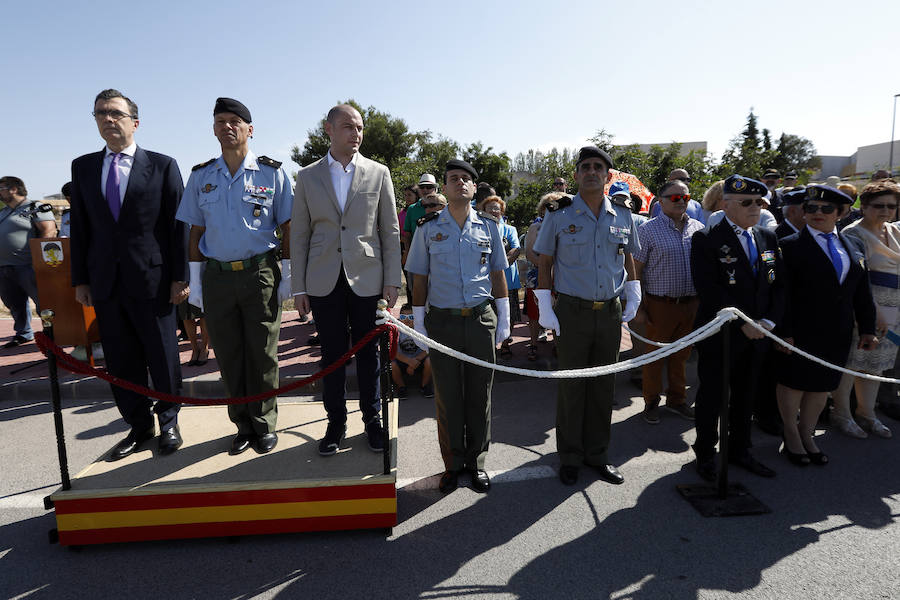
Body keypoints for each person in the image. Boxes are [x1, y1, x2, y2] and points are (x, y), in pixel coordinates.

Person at [70, 89, 188, 460]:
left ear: (134, 122)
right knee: (121, 360)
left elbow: (176, 227)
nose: (108, 119)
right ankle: (138, 427)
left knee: (162, 354)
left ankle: (169, 422)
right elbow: (82, 230)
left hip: (152, 280)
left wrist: (180, 278)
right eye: (100, 113)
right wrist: (81, 280)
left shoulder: (163, 165)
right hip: (105, 282)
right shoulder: (83, 167)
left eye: (115, 113)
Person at [177, 97, 292, 456]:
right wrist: (195, 283)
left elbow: (288, 228)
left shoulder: (273, 173)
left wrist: (287, 275)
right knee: (229, 355)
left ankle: (264, 422)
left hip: (259, 273)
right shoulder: (201, 176)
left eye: (234, 121)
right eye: (220, 121)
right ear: (213, 129)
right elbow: (195, 233)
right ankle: (241, 425)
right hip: (218, 277)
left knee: (262, 353)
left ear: (249, 129)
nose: (226, 127)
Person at [291, 103, 401, 457]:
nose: (356, 133)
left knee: (369, 354)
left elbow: (390, 229)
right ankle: (335, 422)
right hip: (323, 279)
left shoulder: (378, 172)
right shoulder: (307, 176)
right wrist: (299, 286)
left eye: (360, 127)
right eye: (348, 127)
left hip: (367, 278)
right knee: (332, 356)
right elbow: (301, 234)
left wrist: (392, 279)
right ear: (329, 129)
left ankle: (372, 421)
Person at [533, 145, 641, 486]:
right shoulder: (558, 214)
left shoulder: (623, 213)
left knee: (603, 385)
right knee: (572, 387)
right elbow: (545, 262)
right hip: (572, 311)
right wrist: (545, 305)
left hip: (609, 311)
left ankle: (598, 454)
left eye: (598, 167)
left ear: (607, 177)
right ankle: (570, 455)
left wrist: (633, 290)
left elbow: (628, 255)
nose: (592, 171)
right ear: (577, 175)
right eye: (585, 167)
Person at [405, 159, 510, 494]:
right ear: (444, 188)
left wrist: (504, 317)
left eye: (466, 179)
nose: (460, 183)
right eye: (453, 179)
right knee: (448, 396)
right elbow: (419, 277)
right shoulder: (427, 227)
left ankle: (477, 463)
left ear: (474, 188)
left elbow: (498, 274)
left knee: (480, 395)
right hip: (444, 322)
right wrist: (419, 320)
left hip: (481, 320)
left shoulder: (490, 227)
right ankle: (452, 464)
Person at [689, 175, 785, 482]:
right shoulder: (706, 238)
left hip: (759, 333)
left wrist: (769, 321)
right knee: (713, 396)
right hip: (722, 334)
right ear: (727, 204)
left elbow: (777, 286)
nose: (755, 208)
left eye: (760, 202)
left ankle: (741, 450)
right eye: (747, 202)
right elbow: (710, 289)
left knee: (747, 395)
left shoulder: (768, 237)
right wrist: (744, 323)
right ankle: (705, 453)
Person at [777, 185, 877, 466]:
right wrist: (784, 331)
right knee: (794, 382)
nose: (817, 213)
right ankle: (791, 434)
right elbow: (781, 294)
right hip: (799, 330)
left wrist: (867, 328)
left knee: (822, 385)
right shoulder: (789, 245)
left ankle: (807, 435)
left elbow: (861, 291)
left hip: (838, 331)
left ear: (842, 213)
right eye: (811, 208)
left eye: (825, 209)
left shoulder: (853, 245)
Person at [830, 181, 900, 439]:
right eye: (878, 206)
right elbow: (858, 277)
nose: (885, 211)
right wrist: (873, 312)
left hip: (895, 309)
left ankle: (866, 414)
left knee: (876, 365)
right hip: (865, 308)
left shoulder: (894, 230)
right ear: (864, 206)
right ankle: (841, 414)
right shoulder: (852, 233)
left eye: (891, 206)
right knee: (852, 363)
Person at [632, 179, 704, 424]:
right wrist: (639, 307)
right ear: (660, 201)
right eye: (675, 198)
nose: (681, 201)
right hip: (659, 304)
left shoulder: (698, 228)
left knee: (681, 355)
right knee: (654, 356)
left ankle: (677, 400)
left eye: (685, 197)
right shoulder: (647, 230)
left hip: (690, 303)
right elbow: (635, 271)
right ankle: (651, 402)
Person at [0, 176, 56, 349]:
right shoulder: (4, 212)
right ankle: (23, 333)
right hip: (4, 267)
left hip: (28, 266)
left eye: (1, 188)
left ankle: (54, 335)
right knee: (13, 303)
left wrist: (38, 262)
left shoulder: (35, 207)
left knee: (44, 303)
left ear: (14, 189)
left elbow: (49, 231)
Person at [478, 195, 521, 358]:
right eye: (491, 209)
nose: (495, 211)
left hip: (507, 279)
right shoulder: (479, 229)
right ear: (483, 211)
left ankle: (505, 344)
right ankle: (491, 345)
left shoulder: (510, 230)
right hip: (485, 282)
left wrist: (498, 266)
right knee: (489, 315)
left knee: (508, 314)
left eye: (497, 208)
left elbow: (516, 249)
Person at [523, 192, 562, 361]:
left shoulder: (565, 225)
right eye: (549, 205)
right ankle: (533, 344)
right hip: (537, 275)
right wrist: (546, 268)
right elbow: (530, 253)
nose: (552, 208)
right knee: (534, 312)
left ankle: (557, 344)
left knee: (558, 310)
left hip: (561, 277)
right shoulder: (536, 227)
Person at [392, 308, 433, 400]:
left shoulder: (421, 330)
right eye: (403, 317)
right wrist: (409, 362)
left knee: (429, 361)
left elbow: (428, 348)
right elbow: (393, 351)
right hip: (402, 360)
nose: (407, 320)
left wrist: (416, 360)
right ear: (399, 318)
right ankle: (401, 387)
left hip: (419, 360)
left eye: (411, 317)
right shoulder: (396, 330)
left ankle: (425, 386)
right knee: (393, 364)